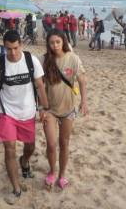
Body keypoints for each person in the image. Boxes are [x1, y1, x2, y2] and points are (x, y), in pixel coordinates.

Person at [0, 30, 48, 205]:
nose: (12, 52)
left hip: (28, 112)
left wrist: (43, 108)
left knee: (30, 147)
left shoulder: (31, 61)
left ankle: (24, 161)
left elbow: (40, 86)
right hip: (7, 113)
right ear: (4, 47)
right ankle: (16, 188)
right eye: (8, 49)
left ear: (21, 45)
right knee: (9, 148)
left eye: (15, 48)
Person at [41, 30, 87, 191]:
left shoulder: (73, 59)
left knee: (64, 143)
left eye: (58, 42)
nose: (55, 45)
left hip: (68, 109)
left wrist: (84, 102)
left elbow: (82, 80)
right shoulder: (44, 60)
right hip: (50, 110)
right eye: (52, 42)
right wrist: (41, 107)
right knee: (52, 144)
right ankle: (52, 171)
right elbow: (38, 85)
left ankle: (62, 175)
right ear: (48, 44)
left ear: (63, 42)